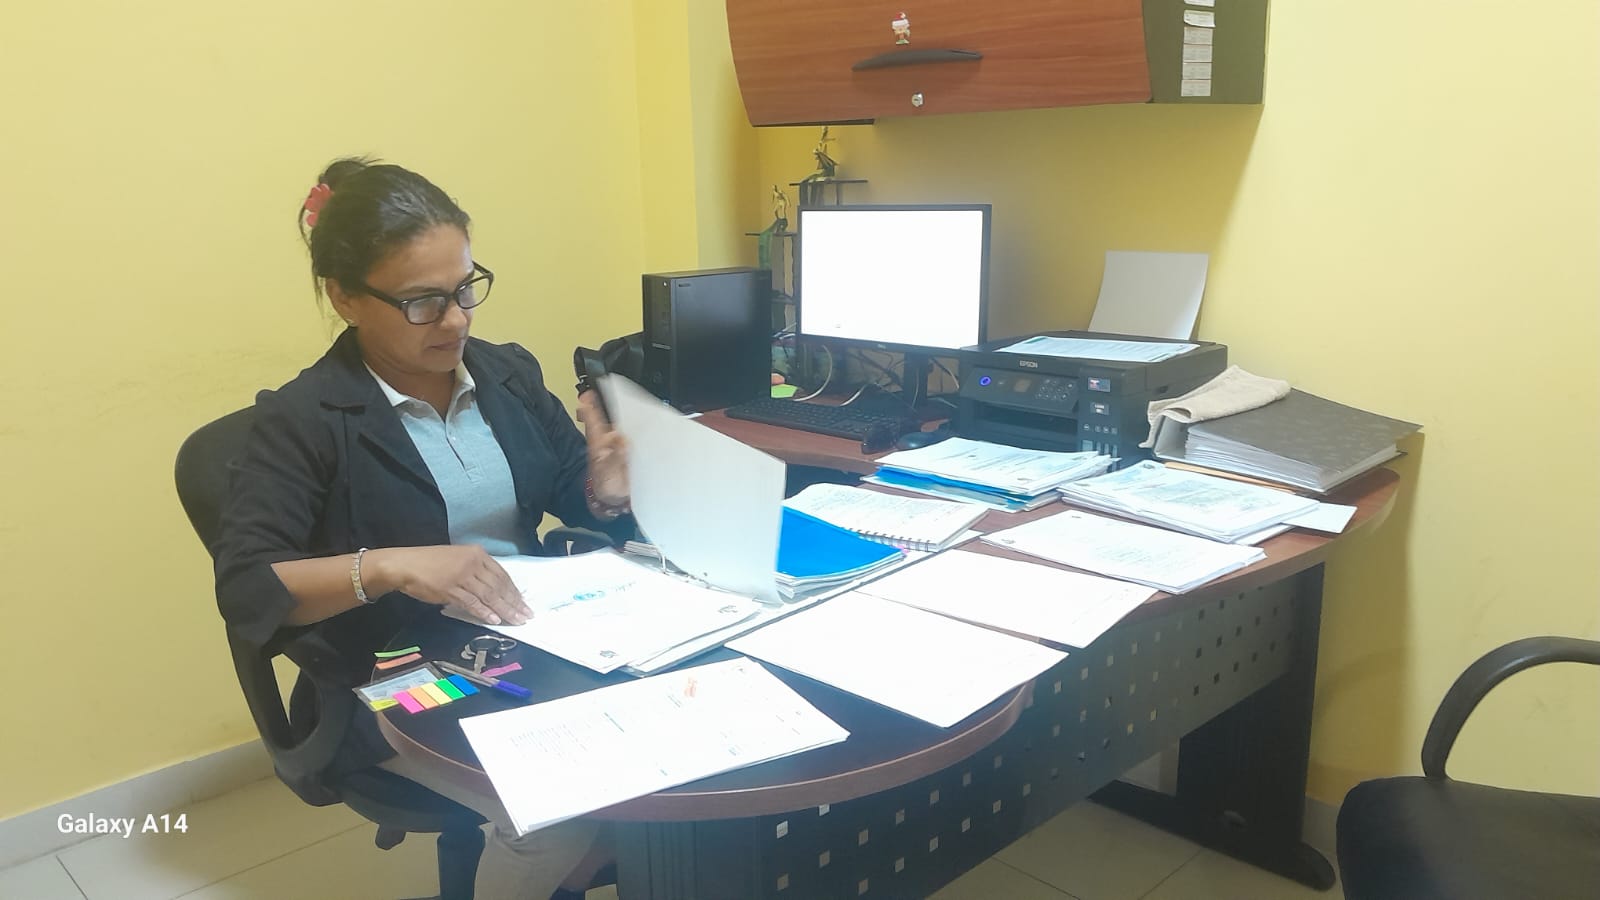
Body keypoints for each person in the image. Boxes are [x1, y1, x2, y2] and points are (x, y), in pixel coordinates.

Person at [212, 157, 631, 899]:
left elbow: (571, 488)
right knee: (557, 809)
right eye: (423, 302)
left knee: (660, 753)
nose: (457, 319)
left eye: (465, 289)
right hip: (393, 673)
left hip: (530, 641)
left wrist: (604, 491)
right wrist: (389, 565)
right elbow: (247, 585)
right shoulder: (304, 419)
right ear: (345, 297)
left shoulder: (505, 374)